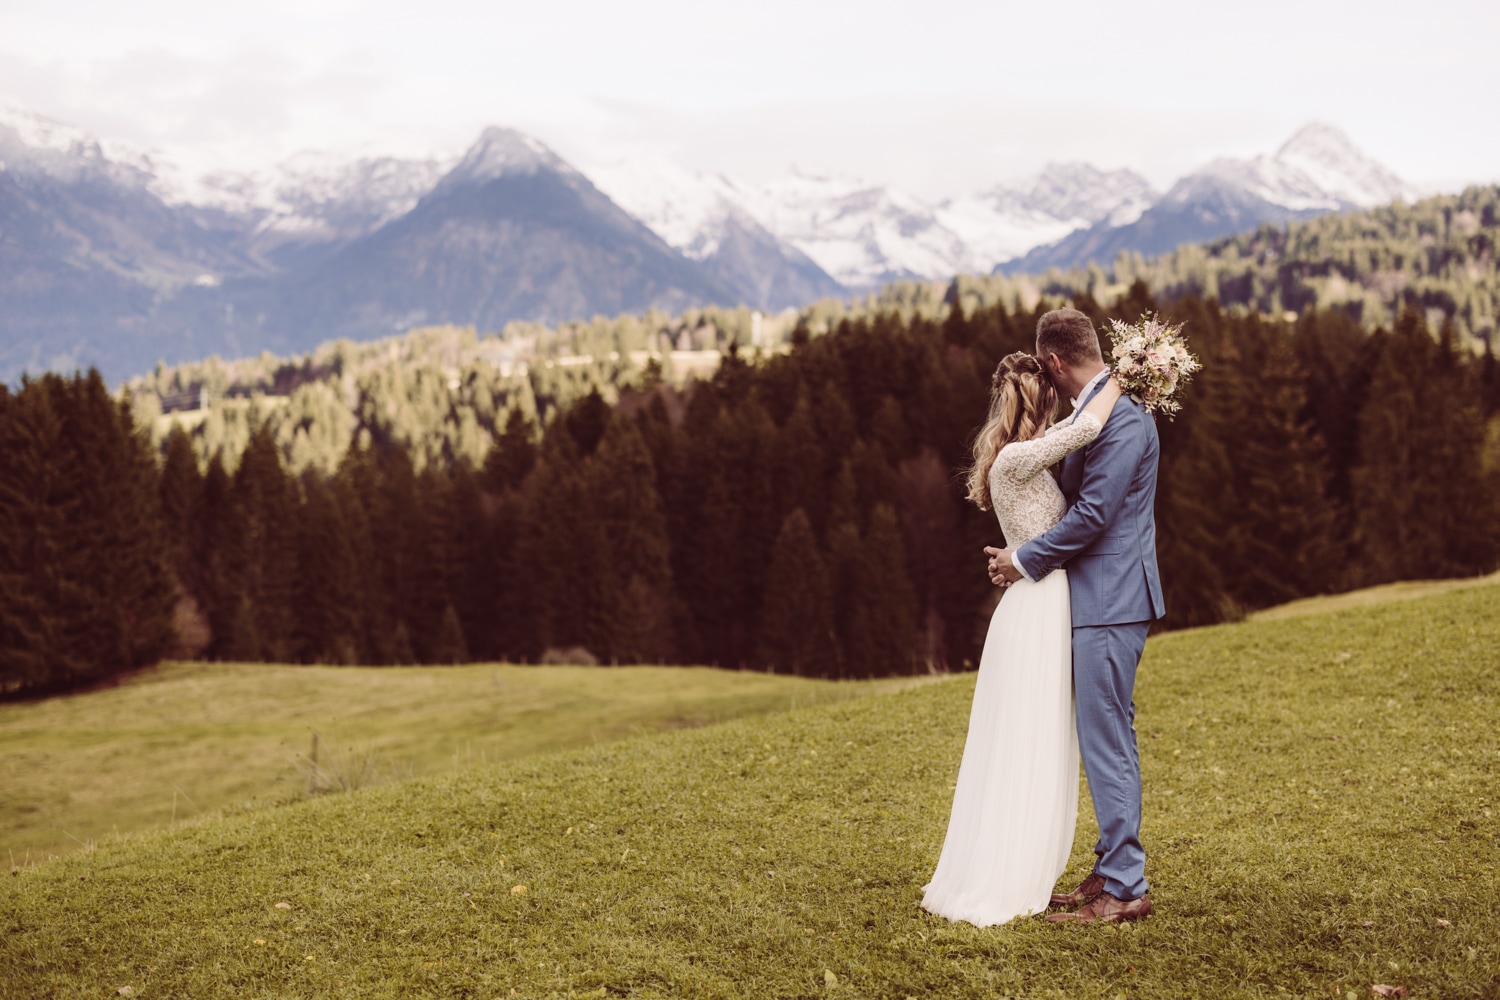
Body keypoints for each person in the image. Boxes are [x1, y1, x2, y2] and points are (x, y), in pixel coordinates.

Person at [920, 350, 1122, 926]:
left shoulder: (1017, 455)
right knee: (1028, 740)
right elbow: (1085, 427)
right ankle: (1006, 876)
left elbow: (1070, 429)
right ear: (1044, 400)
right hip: (1037, 610)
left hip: (1037, 600)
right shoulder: (1015, 460)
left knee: (1035, 737)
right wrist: (1129, 374)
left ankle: (1022, 865)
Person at [987, 307, 1166, 925]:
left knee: (1107, 736)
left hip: (1111, 599)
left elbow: (1092, 517)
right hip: (1098, 598)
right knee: (1101, 735)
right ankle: (1110, 868)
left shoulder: (1120, 422)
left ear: (1057, 361)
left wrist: (1023, 560)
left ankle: (1125, 885)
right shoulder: (1100, 411)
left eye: (1047, 369)